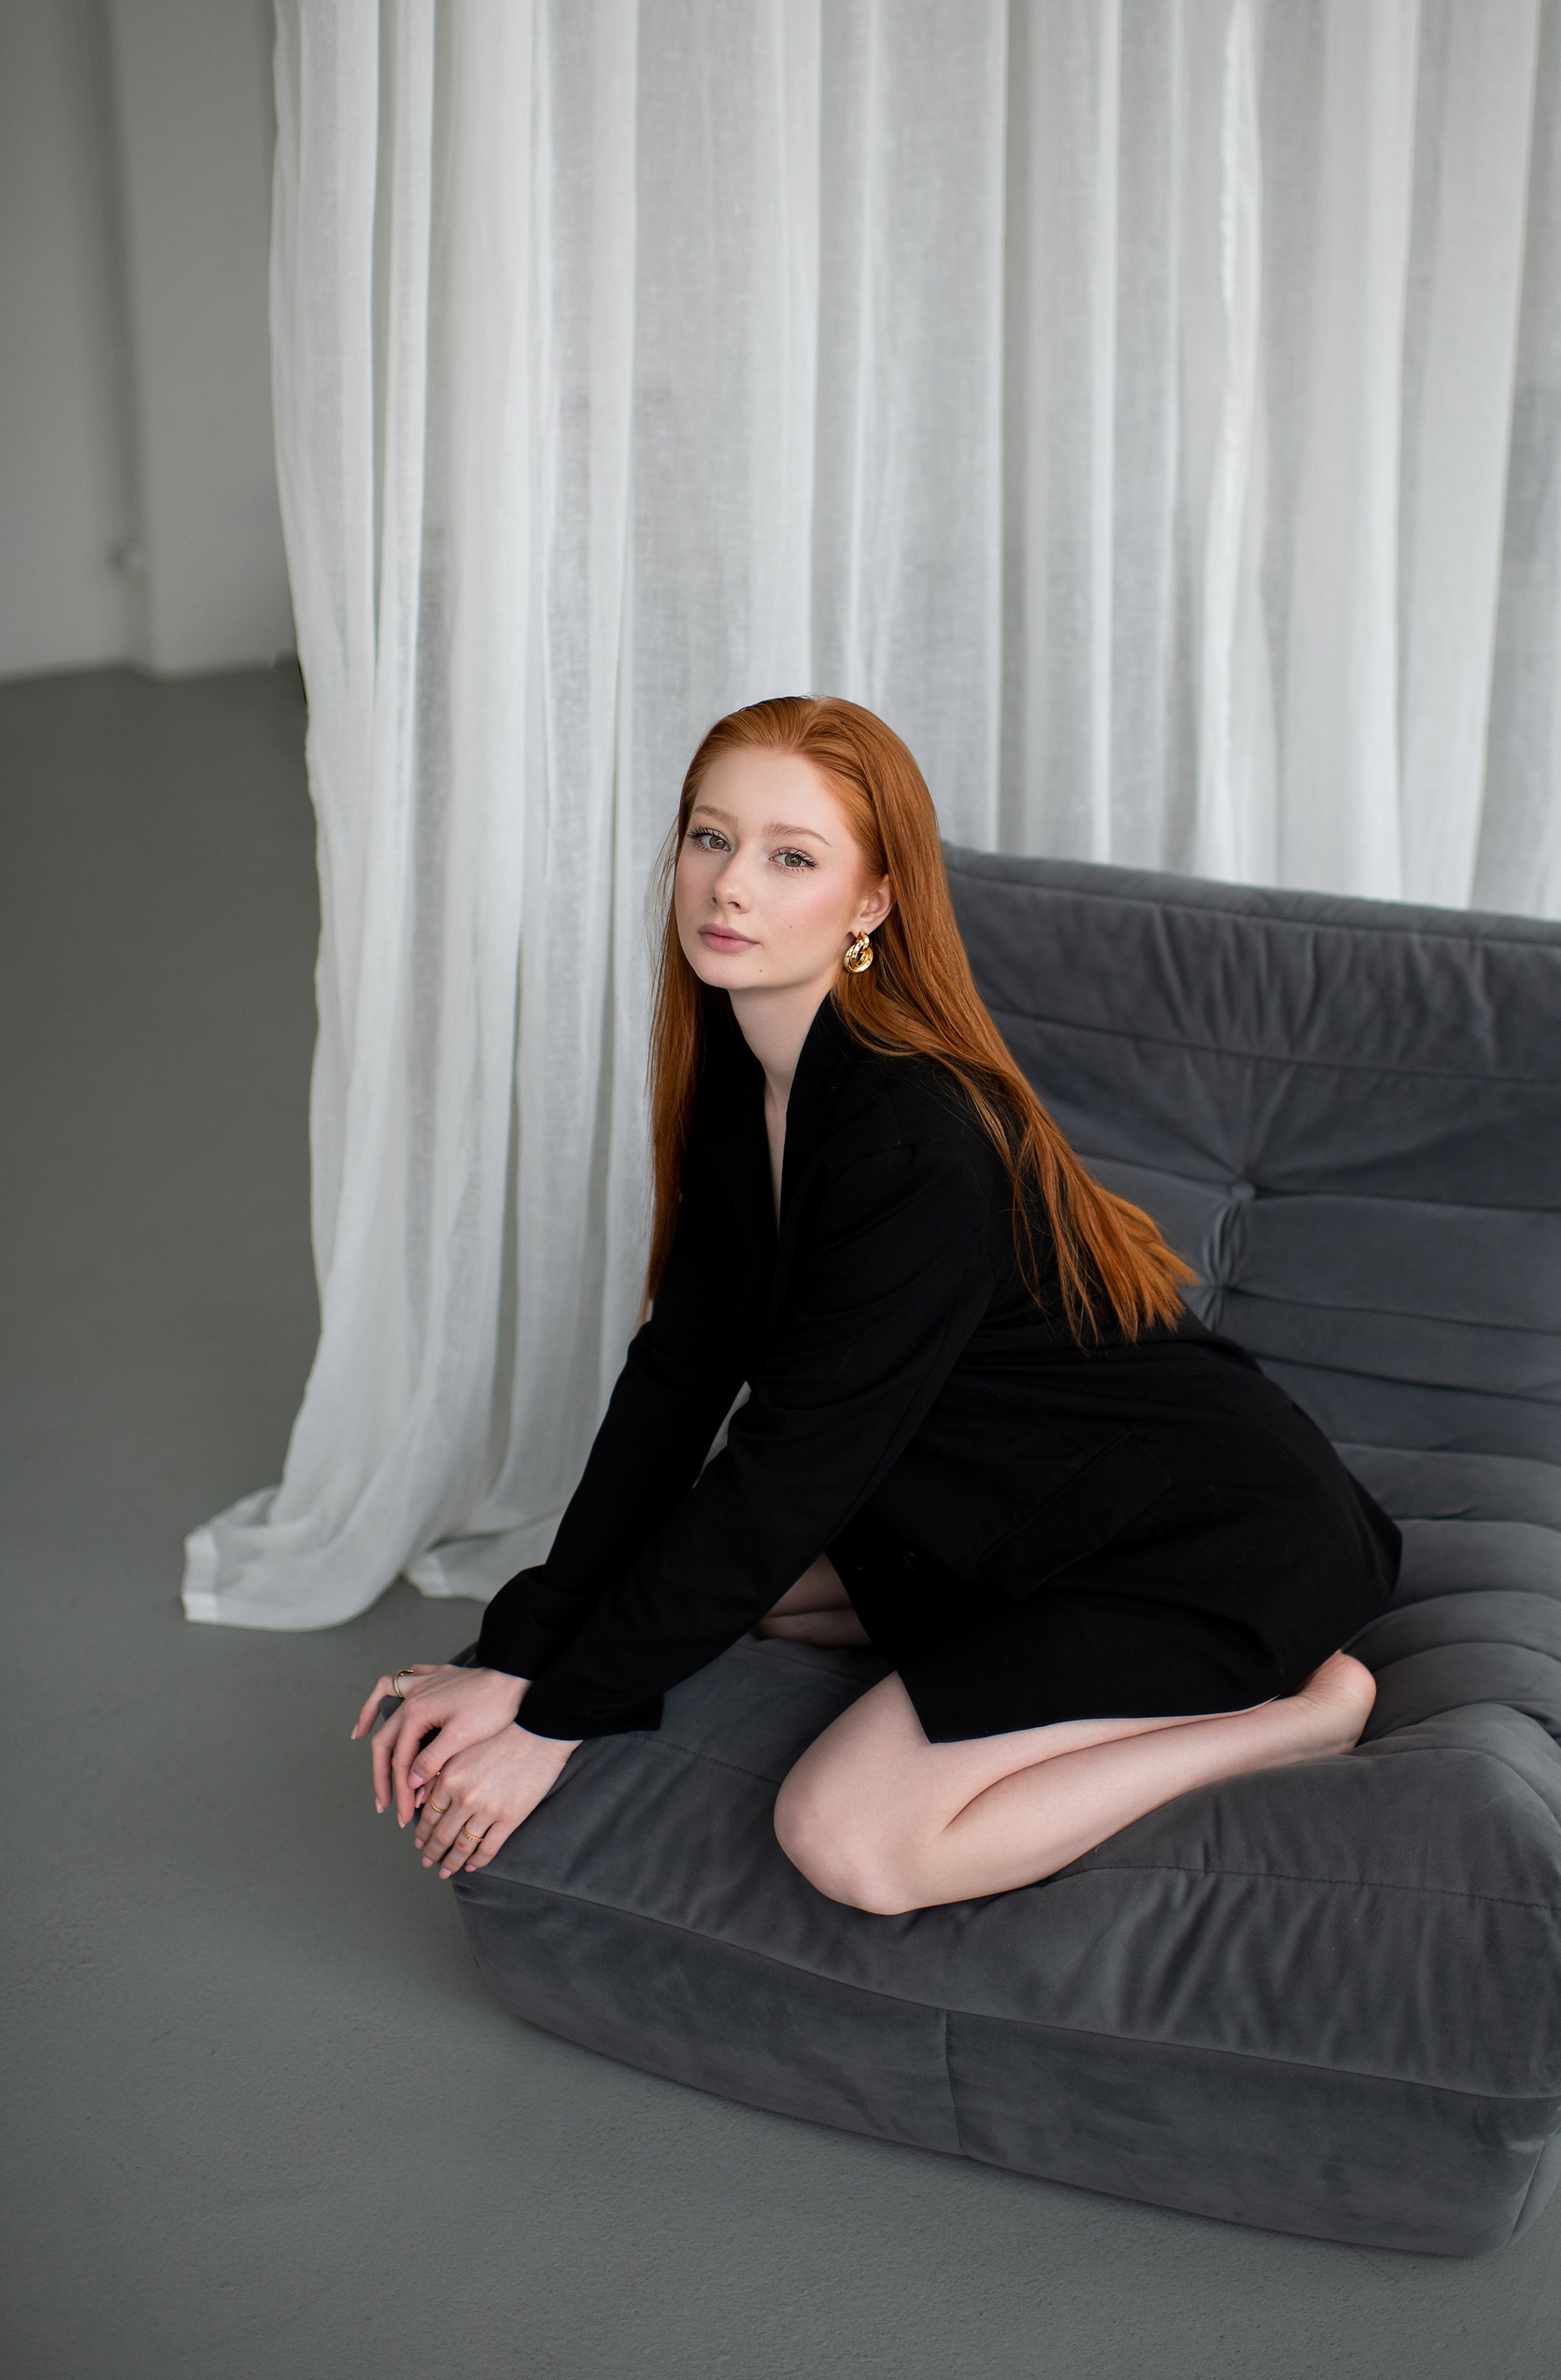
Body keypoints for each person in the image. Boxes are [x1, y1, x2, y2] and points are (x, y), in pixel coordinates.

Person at [353, 697, 1399, 1914]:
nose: (730, 885)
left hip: (1207, 1542)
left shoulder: (913, 1138)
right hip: (1019, 1502)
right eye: (711, 838)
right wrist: (519, 1657)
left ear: (872, 903)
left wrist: (556, 1723)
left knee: (851, 1838)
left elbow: (787, 1470)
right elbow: (678, 1376)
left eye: (791, 857)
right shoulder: (751, 1080)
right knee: (711, 1588)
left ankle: (1302, 1713)